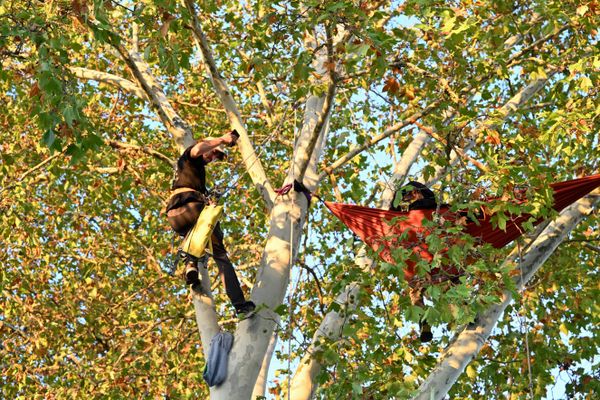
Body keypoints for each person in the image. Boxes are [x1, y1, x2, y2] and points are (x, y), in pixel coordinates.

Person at [165, 130, 256, 317]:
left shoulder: (193, 175)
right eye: (214, 152)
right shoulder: (190, 156)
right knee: (220, 254)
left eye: (216, 156)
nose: (213, 157)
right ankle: (240, 305)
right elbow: (198, 149)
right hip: (191, 209)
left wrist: (209, 199)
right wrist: (222, 139)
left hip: (177, 217)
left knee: (197, 234)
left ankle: (190, 265)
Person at [390, 181, 438, 342]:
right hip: (425, 258)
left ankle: (425, 322)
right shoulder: (435, 206)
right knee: (418, 293)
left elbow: (392, 211)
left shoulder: (429, 208)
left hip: (427, 255)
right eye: (407, 196)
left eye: (411, 195)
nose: (409, 199)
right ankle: (424, 323)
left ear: (417, 192)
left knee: (419, 292)